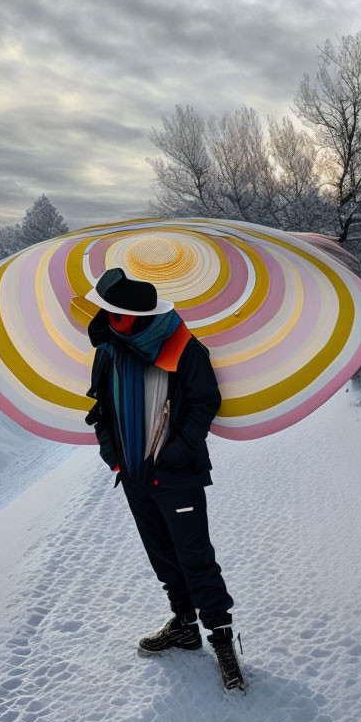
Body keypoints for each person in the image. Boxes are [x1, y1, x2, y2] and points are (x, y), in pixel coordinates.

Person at [85, 267, 244, 691]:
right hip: (134, 477)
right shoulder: (108, 349)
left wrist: (173, 455)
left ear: (131, 314)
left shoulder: (183, 347)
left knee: (196, 560)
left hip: (176, 476)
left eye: (111, 311)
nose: (104, 315)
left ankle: (223, 642)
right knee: (163, 558)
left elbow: (205, 403)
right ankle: (185, 627)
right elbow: (100, 406)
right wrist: (113, 455)